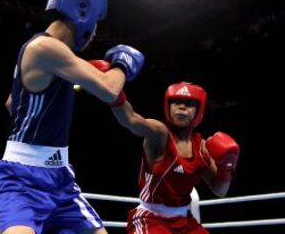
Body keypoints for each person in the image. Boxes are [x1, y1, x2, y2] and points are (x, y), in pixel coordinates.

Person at [0, 0, 145, 233]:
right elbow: (109, 89)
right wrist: (122, 63)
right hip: (21, 182)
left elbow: (13, 103)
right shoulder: (45, 47)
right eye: (97, 23)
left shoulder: (45, 52)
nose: (95, 33)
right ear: (84, 10)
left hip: (60, 180)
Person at [97, 75, 239, 233]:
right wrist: (113, 94)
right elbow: (131, 119)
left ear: (199, 110)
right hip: (151, 218)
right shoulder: (159, 134)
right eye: (176, 102)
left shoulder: (202, 148)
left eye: (189, 103)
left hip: (185, 220)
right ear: (168, 106)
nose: (182, 108)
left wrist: (226, 167)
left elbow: (220, 191)